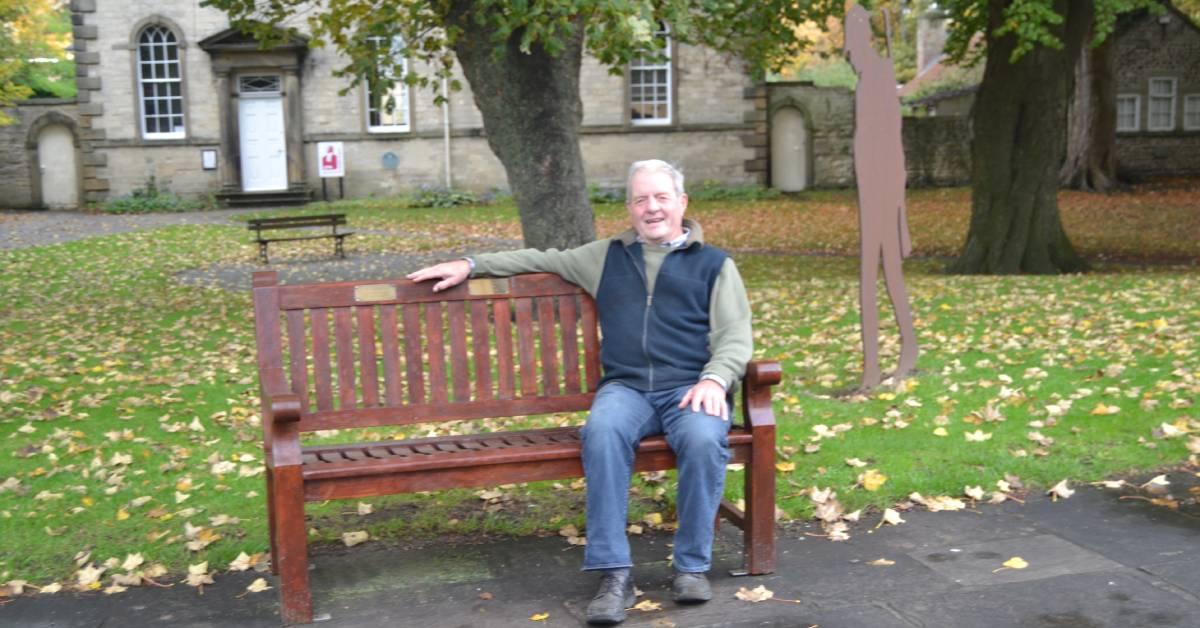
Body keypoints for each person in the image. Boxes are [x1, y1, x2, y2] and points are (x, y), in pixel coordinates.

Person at [407, 159, 752, 625]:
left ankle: (691, 567)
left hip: (690, 387)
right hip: (627, 388)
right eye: (640, 199)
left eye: (661, 198)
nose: (651, 208)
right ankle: (614, 573)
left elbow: (735, 334)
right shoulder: (605, 256)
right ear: (630, 207)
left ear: (682, 203)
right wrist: (469, 263)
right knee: (602, 432)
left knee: (703, 439)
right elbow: (539, 259)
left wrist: (715, 378)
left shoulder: (715, 264)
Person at [845, 4, 919, 390]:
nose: (850, 57)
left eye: (851, 48)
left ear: (861, 43)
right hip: (871, 190)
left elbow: (891, 146)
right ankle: (884, 360)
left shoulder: (878, 75)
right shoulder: (870, 78)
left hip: (881, 192)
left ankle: (890, 359)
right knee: (877, 277)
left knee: (883, 276)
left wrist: (899, 214)